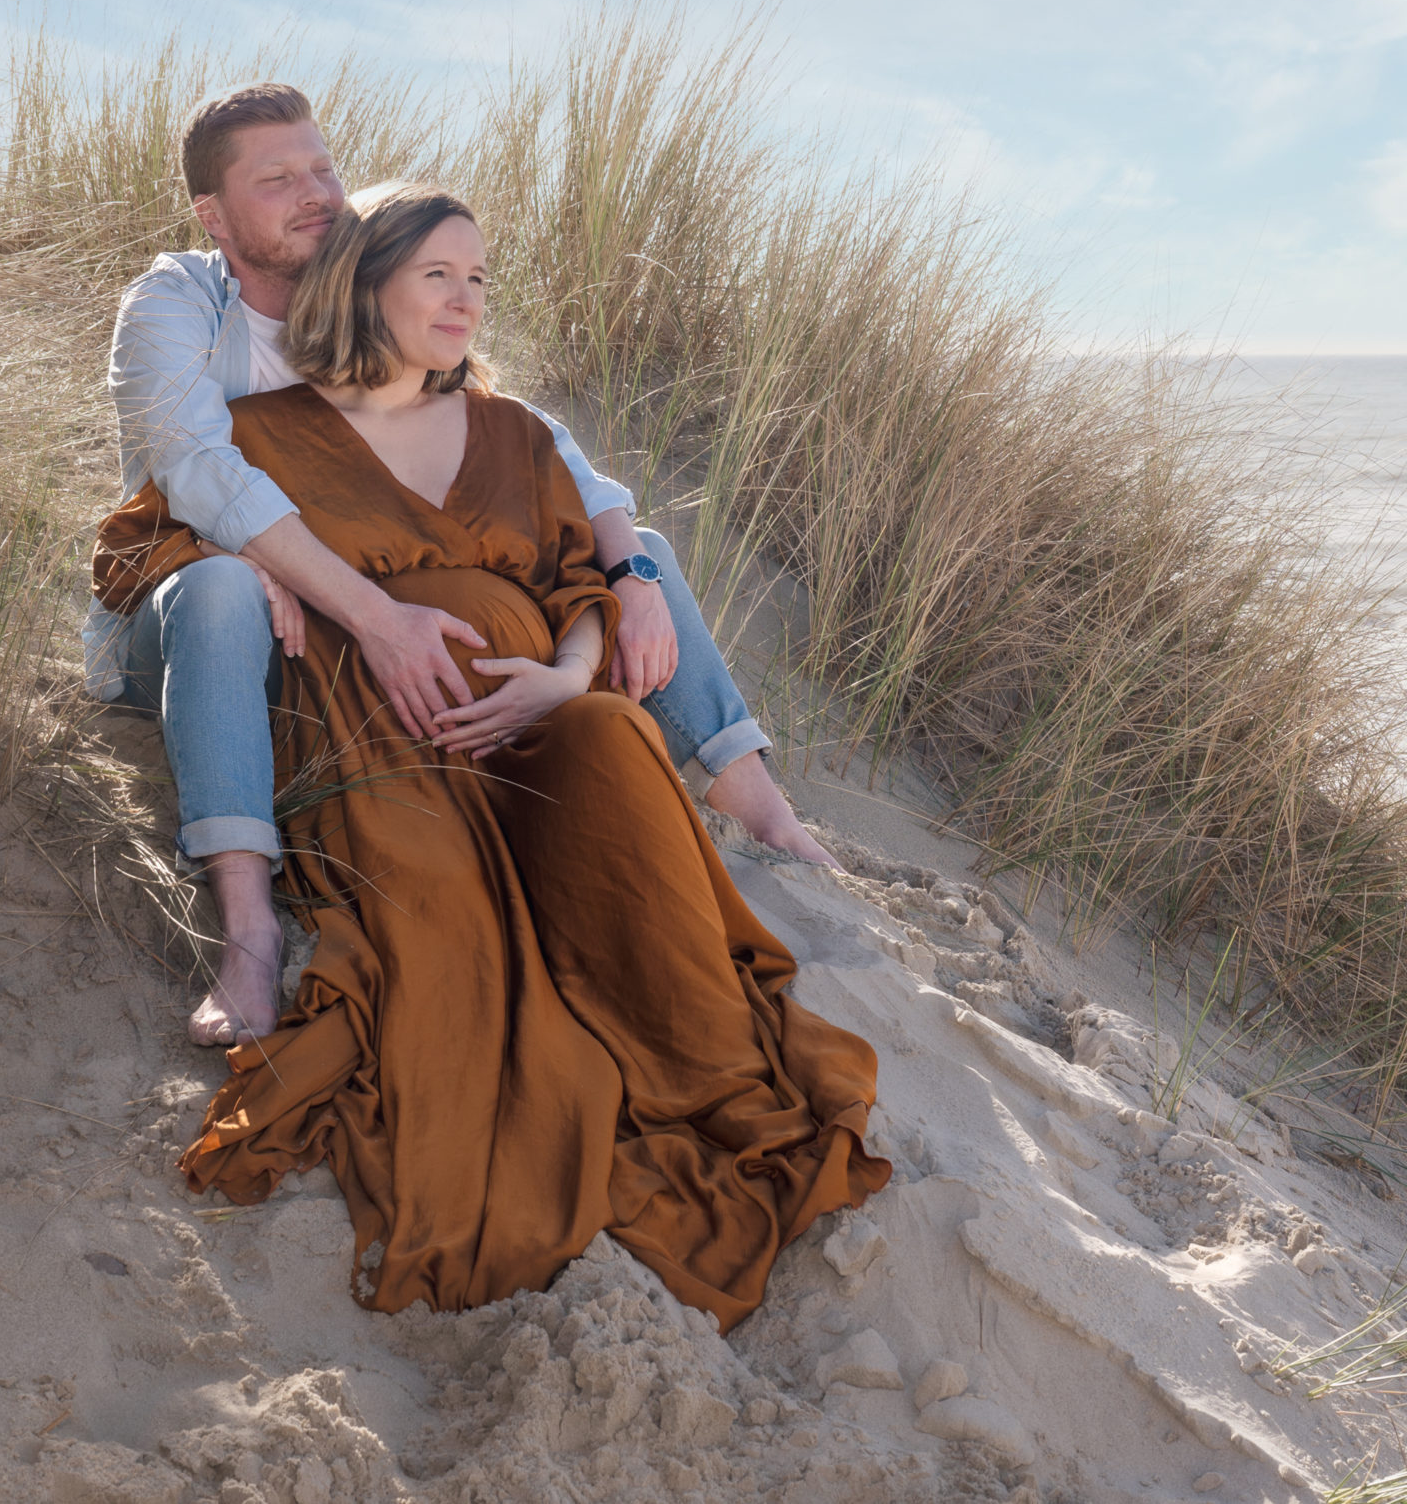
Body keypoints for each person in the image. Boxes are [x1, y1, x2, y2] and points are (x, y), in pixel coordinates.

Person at [92, 183, 885, 1329]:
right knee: (443, 933)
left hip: (537, 716)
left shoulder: (513, 430)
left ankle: (703, 995)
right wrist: (253, 561)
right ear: (367, 283)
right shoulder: (262, 432)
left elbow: (580, 577)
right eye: (436, 277)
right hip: (378, 734)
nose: (465, 300)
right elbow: (140, 541)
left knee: (613, 735)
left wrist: (565, 676)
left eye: (478, 281)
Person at [87, 82, 836, 1047]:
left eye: (324, 167)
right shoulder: (182, 303)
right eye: (278, 179)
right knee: (230, 580)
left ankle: (768, 819)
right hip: (194, 609)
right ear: (214, 214)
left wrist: (638, 582)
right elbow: (192, 470)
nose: (315, 192)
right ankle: (249, 929)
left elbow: (567, 474)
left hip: (347, 611)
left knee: (636, 548)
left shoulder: (367, 306)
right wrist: (342, 597)